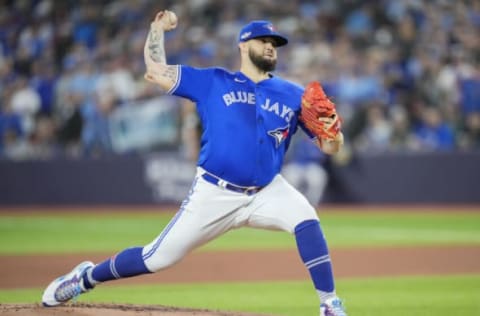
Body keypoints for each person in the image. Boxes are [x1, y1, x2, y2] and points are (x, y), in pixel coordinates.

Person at [42, 10, 347, 316]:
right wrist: (157, 29)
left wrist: (333, 132)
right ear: (243, 46)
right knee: (156, 258)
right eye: (262, 40)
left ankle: (329, 303)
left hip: (267, 190)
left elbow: (330, 147)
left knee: (306, 217)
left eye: (275, 43)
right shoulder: (213, 80)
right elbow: (156, 69)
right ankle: (85, 278)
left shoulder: (294, 94)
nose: (270, 46)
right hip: (215, 192)